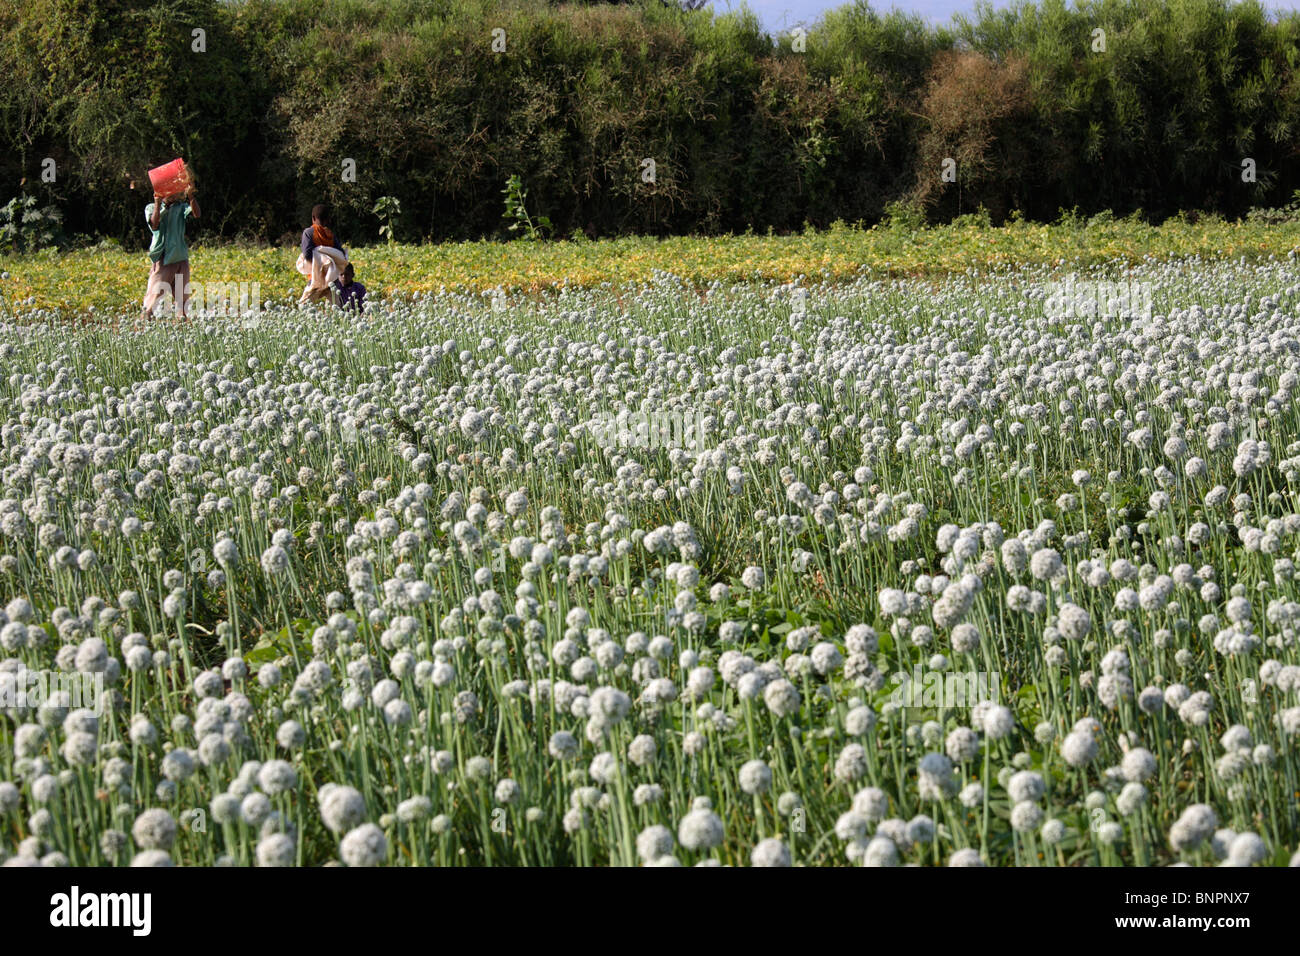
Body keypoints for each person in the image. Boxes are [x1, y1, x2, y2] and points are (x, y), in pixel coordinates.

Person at [142, 184, 200, 320]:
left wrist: (191, 195)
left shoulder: (181, 207)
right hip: (163, 259)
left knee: (183, 301)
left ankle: (183, 330)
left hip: (180, 258)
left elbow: (197, 214)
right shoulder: (151, 208)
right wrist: (158, 203)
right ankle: (144, 325)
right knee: (154, 297)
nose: (173, 195)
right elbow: (154, 224)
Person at [297, 204, 347, 304]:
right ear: (328, 219)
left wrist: (319, 256)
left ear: (313, 218)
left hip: (316, 278)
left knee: (304, 305)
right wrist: (328, 258)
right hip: (331, 278)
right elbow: (340, 253)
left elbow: (307, 255)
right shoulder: (330, 234)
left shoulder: (308, 232)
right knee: (337, 307)